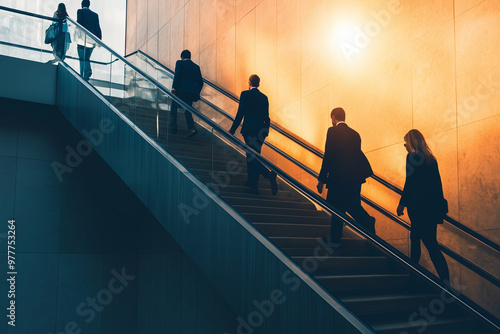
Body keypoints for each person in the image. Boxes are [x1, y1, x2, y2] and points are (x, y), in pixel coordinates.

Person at [397, 129, 450, 283]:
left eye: (405, 142)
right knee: (431, 245)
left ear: (411, 142)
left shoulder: (411, 157)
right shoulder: (431, 159)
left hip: (417, 208)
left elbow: (410, 182)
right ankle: (445, 284)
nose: (405, 146)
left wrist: (402, 203)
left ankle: (412, 280)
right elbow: (437, 185)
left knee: (417, 242)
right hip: (431, 210)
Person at [317, 107, 375, 247]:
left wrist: (322, 179)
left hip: (339, 178)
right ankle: (335, 236)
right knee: (346, 204)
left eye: (331, 118)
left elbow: (328, 155)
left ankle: (366, 220)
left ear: (333, 117)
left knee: (339, 205)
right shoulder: (355, 134)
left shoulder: (332, 131)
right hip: (354, 178)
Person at [229, 75, 277, 195]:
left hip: (249, 130)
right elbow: (267, 117)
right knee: (254, 156)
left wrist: (232, 129)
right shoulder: (264, 97)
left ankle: (268, 174)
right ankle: (252, 184)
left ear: (249, 83)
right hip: (260, 132)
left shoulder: (245, 94)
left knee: (251, 156)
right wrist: (266, 131)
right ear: (259, 84)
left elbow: (240, 113)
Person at [170, 50, 204, 139]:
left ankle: (174, 127)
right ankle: (191, 128)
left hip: (181, 92)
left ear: (182, 57)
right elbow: (201, 82)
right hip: (191, 93)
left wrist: (174, 88)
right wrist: (196, 92)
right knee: (187, 109)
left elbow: (177, 75)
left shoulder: (180, 63)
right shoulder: (196, 67)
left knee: (174, 106)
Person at [76, 0, 102, 80]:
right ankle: (86, 73)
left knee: (81, 57)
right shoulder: (95, 15)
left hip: (82, 40)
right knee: (86, 58)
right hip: (91, 41)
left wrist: (76, 36)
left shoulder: (80, 11)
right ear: (89, 5)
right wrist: (99, 40)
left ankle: (84, 73)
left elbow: (78, 24)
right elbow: (98, 28)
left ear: (82, 5)